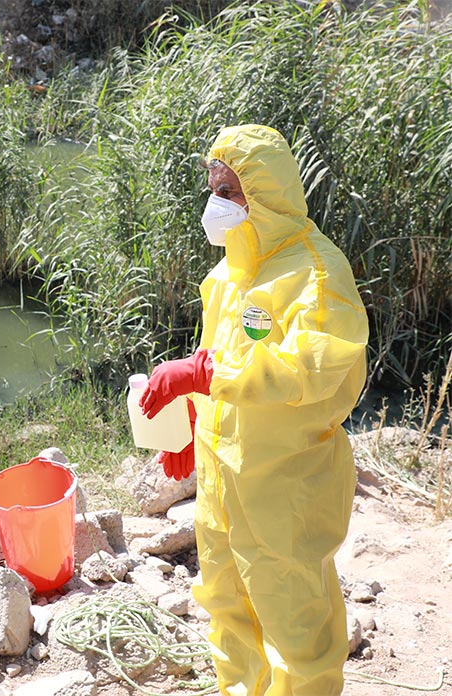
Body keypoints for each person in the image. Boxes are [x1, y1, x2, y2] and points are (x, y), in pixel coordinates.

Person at [139, 124, 368, 695]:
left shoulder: (316, 274)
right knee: (226, 604)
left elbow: (313, 369)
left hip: (287, 482)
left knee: (295, 621)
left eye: (229, 191)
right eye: (212, 188)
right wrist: (192, 421)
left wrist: (202, 375)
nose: (216, 202)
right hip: (224, 475)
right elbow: (217, 357)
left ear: (264, 196)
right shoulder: (226, 275)